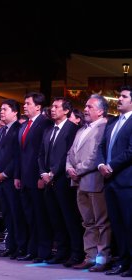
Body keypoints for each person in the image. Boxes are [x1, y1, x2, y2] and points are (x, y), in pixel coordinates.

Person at [66, 94, 111, 271]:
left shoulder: (104, 127)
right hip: (79, 182)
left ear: (100, 111)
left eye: (89, 107)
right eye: (85, 106)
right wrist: (69, 168)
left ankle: (103, 257)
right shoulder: (81, 129)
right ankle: (90, 255)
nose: (85, 109)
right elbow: (70, 153)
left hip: (94, 180)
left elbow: (96, 156)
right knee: (87, 222)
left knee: (101, 222)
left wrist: (78, 170)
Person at [38, 97, 83, 267]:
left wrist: (52, 173)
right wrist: (43, 172)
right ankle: (62, 251)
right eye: (52, 106)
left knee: (69, 218)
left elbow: (68, 154)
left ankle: (76, 253)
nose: (52, 109)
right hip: (48, 181)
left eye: (57, 107)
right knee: (55, 218)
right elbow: (41, 154)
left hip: (63, 180)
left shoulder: (72, 129)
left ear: (66, 111)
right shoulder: (49, 129)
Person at [97, 85, 132, 277]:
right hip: (109, 181)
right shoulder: (112, 123)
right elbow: (102, 147)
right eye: (119, 96)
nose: (119, 99)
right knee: (117, 224)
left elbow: (131, 150)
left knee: (129, 224)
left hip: (126, 181)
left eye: (124, 97)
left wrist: (111, 166)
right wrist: (102, 164)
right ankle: (123, 262)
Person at [15, 92, 53, 263]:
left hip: (36, 177)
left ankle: (43, 251)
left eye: (28, 103)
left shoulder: (45, 123)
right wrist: (17, 175)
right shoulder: (24, 126)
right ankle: (32, 249)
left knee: (40, 216)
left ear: (38, 106)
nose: (24, 106)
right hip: (23, 177)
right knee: (29, 215)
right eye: (24, 103)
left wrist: (41, 174)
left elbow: (43, 152)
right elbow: (20, 153)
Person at [0, 99, 27, 259]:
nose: (2, 112)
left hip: (12, 178)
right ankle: (10, 245)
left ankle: (20, 246)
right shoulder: (1, 130)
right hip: (0, 178)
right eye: (1, 109)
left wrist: (5, 173)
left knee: (16, 214)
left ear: (14, 112)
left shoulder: (18, 129)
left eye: (5, 109)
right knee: (6, 213)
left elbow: (17, 156)